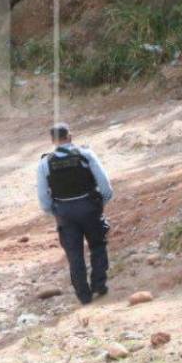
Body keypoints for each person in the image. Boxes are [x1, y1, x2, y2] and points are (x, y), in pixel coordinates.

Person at [37, 123, 113, 305]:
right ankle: (99, 285)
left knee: (74, 254)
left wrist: (55, 211)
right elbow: (106, 187)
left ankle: (84, 295)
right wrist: (98, 204)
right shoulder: (86, 155)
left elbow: (43, 198)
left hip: (64, 212)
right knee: (98, 246)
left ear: (52, 141)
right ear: (70, 136)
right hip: (89, 207)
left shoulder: (45, 163)